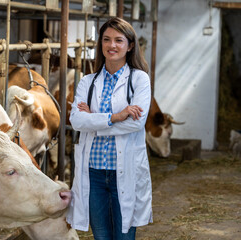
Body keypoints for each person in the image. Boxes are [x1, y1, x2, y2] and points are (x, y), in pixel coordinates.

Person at [66, 17, 153, 240]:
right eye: (106, 40)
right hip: (93, 173)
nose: (111, 45)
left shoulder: (139, 79)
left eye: (118, 40)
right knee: (101, 237)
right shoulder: (88, 82)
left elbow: (136, 123)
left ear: (130, 45)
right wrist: (116, 116)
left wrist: (93, 121)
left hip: (124, 169)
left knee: (124, 236)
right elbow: (76, 121)